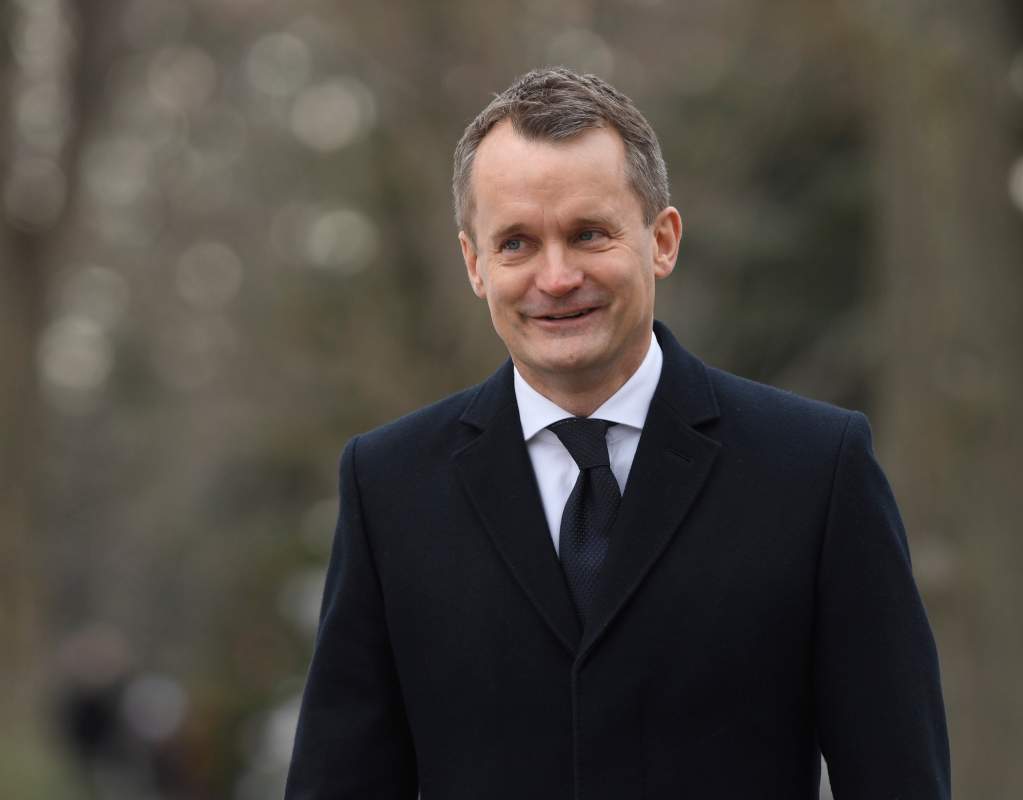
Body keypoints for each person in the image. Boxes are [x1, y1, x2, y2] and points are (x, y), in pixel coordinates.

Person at [284, 66, 950, 800]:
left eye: (588, 233)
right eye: (516, 244)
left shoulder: (816, 470)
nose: (557, 275)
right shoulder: (388, 487)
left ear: (661, 240)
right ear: (475, 264)